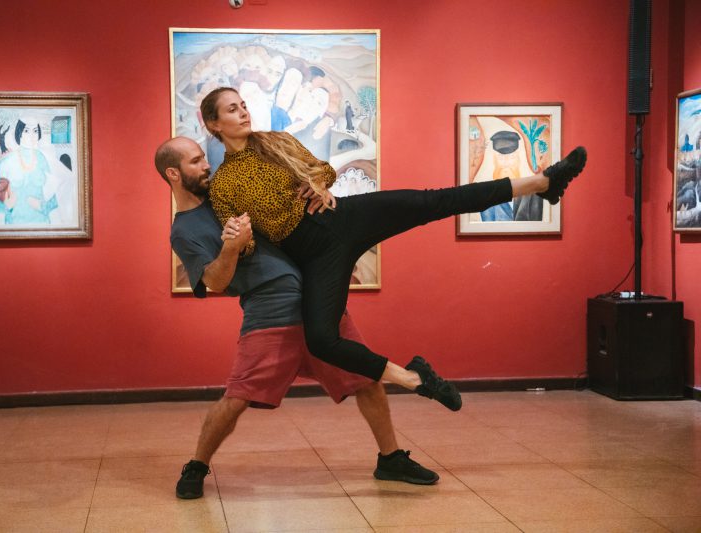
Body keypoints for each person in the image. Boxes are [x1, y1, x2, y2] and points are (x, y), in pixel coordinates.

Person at [200, 86, 587, 410]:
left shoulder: (276, 141)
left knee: (433, 201)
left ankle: (541, 183)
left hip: (344, 218)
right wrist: (237, 238)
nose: (244, 112)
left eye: (244, 105)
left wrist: (316, 184)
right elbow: (246, 247)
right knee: (321, 341)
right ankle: (415, 378)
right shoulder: (223, 185)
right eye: (232, 109)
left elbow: (324, 169)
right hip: (316, 255)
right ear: (214, 124)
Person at [155, 136, 440, 499]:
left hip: (317, 302)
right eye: (195, 161)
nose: (206, 165)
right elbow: (215, 281)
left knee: (367, 380)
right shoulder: (185, 230)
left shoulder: (227, 191)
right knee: (238, 397)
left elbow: (291, 200)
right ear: (173, 173)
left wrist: (316, 187)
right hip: (269, 313)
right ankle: (197, 465)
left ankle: (391, 458)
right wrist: (231, 248)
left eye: (203, 157)